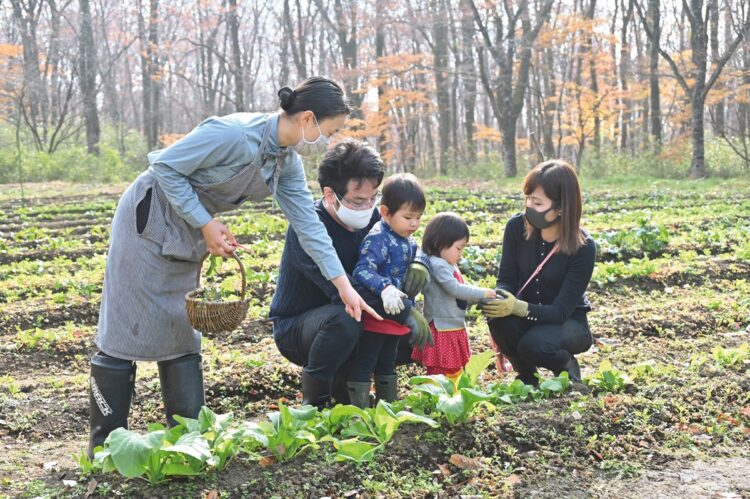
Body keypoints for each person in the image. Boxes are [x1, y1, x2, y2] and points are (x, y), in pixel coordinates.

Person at [87, 77, 381, 456]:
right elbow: (164, 168)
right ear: (308, 119)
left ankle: (188, 443)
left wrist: (344, 286)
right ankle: (105, 447)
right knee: (123, 329)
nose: (329, 139)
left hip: (188, 228)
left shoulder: (284, 163)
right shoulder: (232, 134)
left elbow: (309, 227)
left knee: (182, 327)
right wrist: (206, 222)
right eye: (330, 130)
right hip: (147, 221)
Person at [271, 141, 432, 409]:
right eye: (358, 200)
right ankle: (316, 402)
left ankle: (350, 385)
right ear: (330, 194)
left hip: (355, 314)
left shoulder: (372, 217)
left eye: (373, 198)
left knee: (407, 336)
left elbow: (408, 237)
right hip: (301, 327)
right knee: (347, 318)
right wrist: (405, 311)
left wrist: (419, 261)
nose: (368, 207)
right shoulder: (309, 229)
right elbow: (347, 290)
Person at [483, 159, 596, 385]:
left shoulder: (582, 248)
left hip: (568, 323)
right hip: (526, 314)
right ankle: (527, 377)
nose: (529, 208)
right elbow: (506, 278)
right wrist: (501, 297)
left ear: (561, 207)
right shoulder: (516, 227)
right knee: (498, 321)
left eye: (537, 203)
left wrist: (519, 307)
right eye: (528, 200)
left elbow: (560, 311)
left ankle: (566, 365)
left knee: (534, 344)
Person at [346, 173, 433, 408]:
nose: (414, 224)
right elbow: (362, 270)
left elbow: (419, 251)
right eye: (408, 217)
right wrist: (384, 288)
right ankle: (359, 408)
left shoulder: (405, 238)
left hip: (397, 311)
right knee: (368, 357)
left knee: (388, 358)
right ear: (385, 212)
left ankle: (388, 403)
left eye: (418, 217)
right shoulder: (378, 238)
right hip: (379, 310)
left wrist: (420, 263)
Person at [412, 212, 496, 376]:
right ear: (439, 243)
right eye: (459, 248)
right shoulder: (438, 265)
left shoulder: (447, 263)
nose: (461, 253)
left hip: (451, 324)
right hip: (442, 326)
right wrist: (483, 293)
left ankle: (450, 393)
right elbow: (455, 289)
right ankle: (439, 396)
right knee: (441, 368)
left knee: (452, 368)